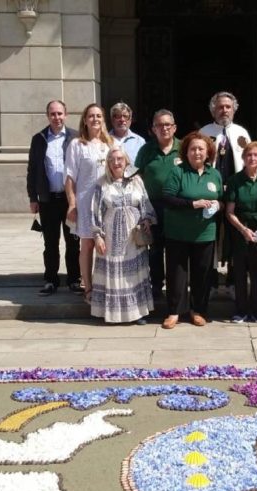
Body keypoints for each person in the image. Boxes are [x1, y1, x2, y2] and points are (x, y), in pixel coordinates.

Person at [161, 131, 223, 329]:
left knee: (202, 274)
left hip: (205, 234)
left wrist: (218, 205)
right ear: (186, 152)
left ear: (208, 153)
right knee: (176, 274)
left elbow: (221, 198)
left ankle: (198, 311)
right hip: (178, 233)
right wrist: (192, 204)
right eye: (193, 149)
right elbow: (168, 199)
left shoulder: (214, 174)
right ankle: (174, 312)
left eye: (201, 149)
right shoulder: (178, 172)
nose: (197, 152)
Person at [89, 147, 156, 324]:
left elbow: (145, 204)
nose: (116, 162)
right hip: (111, 237)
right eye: (112, 159)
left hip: (134, 237)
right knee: (114, 273)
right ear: (108, 163)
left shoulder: (137, 181)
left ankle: (137, 313)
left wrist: (147, 220)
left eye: (120, 159)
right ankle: (113, 313)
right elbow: (95, 211)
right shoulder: (101, 184)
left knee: (134, 273)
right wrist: (97, 236)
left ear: (126, 161)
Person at [200, 91, 252, 299]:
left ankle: (232, 281)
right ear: (213, 109)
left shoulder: (242, 133)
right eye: (220, 107)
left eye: (228, 107)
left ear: (234, 109)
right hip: (210, 193)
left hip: (235, 193)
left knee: (234, 237)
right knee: (210, 237)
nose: (224, 110)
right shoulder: (204, 132)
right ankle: (210, 282)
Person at [26, 100, 81, 297]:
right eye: (52, 114)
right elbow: (32, 170)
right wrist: (33, 197)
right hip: (48, 200)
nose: (56, 117)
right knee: (50, 242)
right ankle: (51, 279)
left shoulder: (76, 137)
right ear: (48, 116)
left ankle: (75, 279)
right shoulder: (39, 139)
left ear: (66, 114)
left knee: (73, 242)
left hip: (70, 200)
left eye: (59, 113)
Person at [225, 141, 257, 323]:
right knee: (239, 273)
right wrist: (243, 229)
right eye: (249, 155)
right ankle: (241, 311)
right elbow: (229, 212)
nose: (252, 158)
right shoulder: (235, 180)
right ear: (243, 158)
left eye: (256, 155)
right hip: (241, 230)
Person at [65, 104, 114, 300]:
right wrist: (72, 203)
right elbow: (70, 177)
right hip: (85, 201)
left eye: (99, 116)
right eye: (91, 116)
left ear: (103, 120)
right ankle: (88, 287)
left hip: (107, 202)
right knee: (87, 244)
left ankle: (105, 285)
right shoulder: (77, 144)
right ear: (85, 120)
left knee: (106, 244)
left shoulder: (110, 144)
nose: (95, 119)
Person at [134, 109, 181, 300]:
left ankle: (175, 286)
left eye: (167, 125)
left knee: (175, 249)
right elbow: (136, 175)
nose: (164, 128)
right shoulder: (146, 150)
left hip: (177, 208)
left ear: (174, 127)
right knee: (154, 249)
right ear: (153, 129)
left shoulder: (184, 147)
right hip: (153, 207)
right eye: (159, 125)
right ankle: (156, 285)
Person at [109, 102, 146, 167]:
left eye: (125, 116)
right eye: (118, 116)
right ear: (112, 120)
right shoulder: (103, 140)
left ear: (130, 120)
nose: (122, 119)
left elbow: (144, 166)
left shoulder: (140, 142)